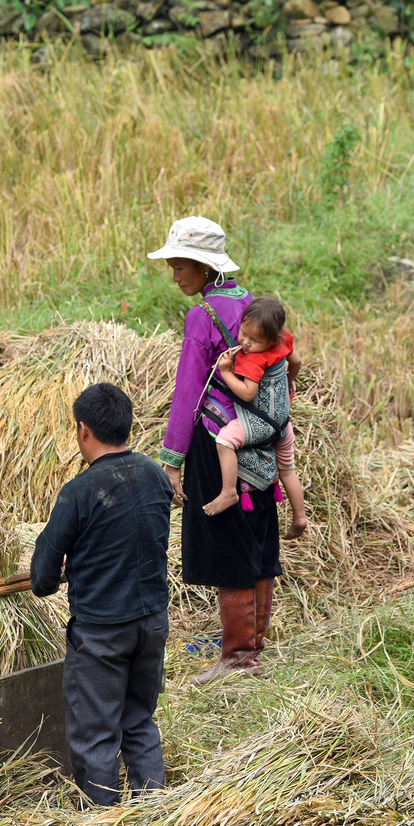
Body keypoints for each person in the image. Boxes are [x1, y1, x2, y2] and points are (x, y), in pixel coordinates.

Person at [147, 216, 286, 685]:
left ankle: (238, 658)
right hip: (258, 438)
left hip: (218, 441)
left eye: (180, 265)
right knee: (257, 537)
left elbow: (188, 391)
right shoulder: (250, 304)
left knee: (227, 542)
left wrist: (171, 459)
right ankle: (255, 645)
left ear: (205, 268)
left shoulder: (201, 316)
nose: (175, 274)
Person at [30, 382, 173, 807]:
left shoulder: (78, 493)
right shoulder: (155, 475)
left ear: (82, 430)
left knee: (95, 735)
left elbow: (41, 578)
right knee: (139, 720)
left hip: (101, 633)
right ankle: (154, 813)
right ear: (128, 426)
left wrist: (58, 573)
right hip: (152, 622)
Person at [202, 296, 307, 538]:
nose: (246, 343)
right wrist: (289, 380)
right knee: (288, 469)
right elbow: (297, 360)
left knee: (225, 441)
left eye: (255, 340)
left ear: (272, 338)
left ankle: (229, 491)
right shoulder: (284, 339)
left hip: (259, 424)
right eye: (243, 333)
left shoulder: (253, 360)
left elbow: (248, 394)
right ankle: (300, 517)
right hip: (282, 423)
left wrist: (225, 371)